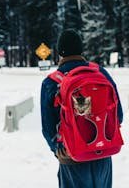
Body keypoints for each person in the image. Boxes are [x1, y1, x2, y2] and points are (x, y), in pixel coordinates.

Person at [40, 29, 123, 188]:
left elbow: (48, 128)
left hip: (72, 157)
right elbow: (118, 114)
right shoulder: (100, 73)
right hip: (103, 155)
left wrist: (59, 151)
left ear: (60, 52)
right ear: (81, 49)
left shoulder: (51, 82)